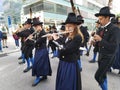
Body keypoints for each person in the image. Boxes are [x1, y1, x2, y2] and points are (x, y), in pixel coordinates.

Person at [52, 13, 84, 90]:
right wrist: (52, 38)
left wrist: (56, 39)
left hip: (70, 64)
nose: (67, 28)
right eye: (66, 26)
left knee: (67, 85)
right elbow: (62, 42)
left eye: (70, 26)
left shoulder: (77, 37)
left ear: (75, 26)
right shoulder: (67, 35)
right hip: (63, 62)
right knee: (62, 82)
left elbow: (66, 50)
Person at [94, 6, 120, 90]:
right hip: (101, 55)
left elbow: (113, 47)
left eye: (101, 19)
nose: (99, 21)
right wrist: (94, 42)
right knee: (103, 75)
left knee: (97, 76)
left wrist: (100, 40)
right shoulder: (101, 28)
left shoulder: (115, 29)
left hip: (108, 57)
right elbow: (99, 43)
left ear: (107, 18)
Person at [31, 18, 52, 86]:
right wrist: (33, 38)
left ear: (40, 26)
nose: (35, 28)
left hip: (42, 50)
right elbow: (36, 40)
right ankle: (44, 75)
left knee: (38, 63)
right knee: (41, 63)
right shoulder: (37, 32)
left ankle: (38, 77)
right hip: (38, 50)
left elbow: (38, 41)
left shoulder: (43, 33)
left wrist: (32, 39)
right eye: (35, 27)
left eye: (37, 26)